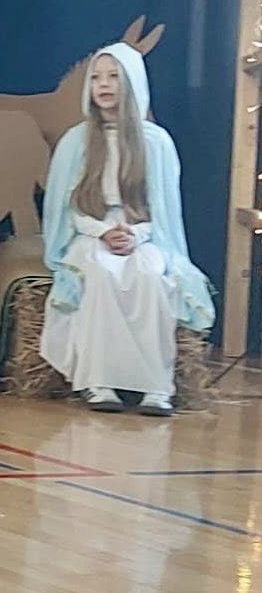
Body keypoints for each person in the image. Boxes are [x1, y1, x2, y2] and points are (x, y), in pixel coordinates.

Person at [39, 42, 213, 416]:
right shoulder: (75, 141)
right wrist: (100, 231)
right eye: (97, 78)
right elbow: (66, 207)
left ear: (133, 83)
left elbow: (162, 207)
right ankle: (98, 382)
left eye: (114, 77)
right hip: (90, 233)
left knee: (149, 276)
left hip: (141, 234)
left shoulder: (156, 142)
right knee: (102, 272)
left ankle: (155, 387)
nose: (104, 85)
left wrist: (137, 234)